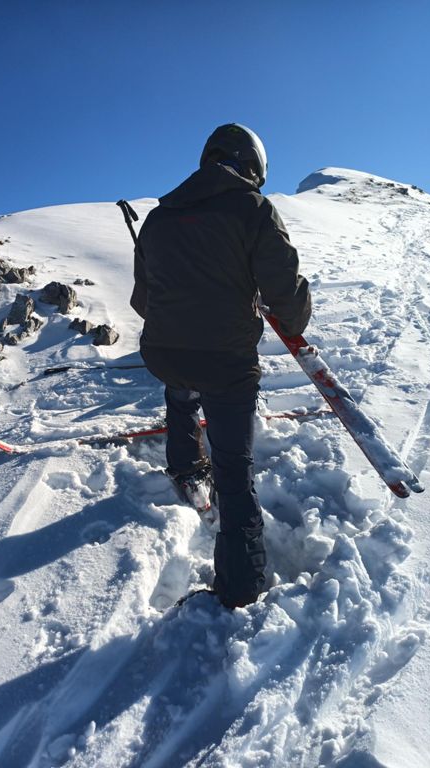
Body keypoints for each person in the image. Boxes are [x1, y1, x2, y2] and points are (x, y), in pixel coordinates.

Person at [130, 123, 311, 609]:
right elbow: (287, 302)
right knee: (234, 467)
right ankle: (242, 581)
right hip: (226, 361)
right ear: (252, 165)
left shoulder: (157, 219)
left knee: (181, 387)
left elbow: (142, 300)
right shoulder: (253, 209)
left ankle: (186, 465)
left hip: (165, 352)